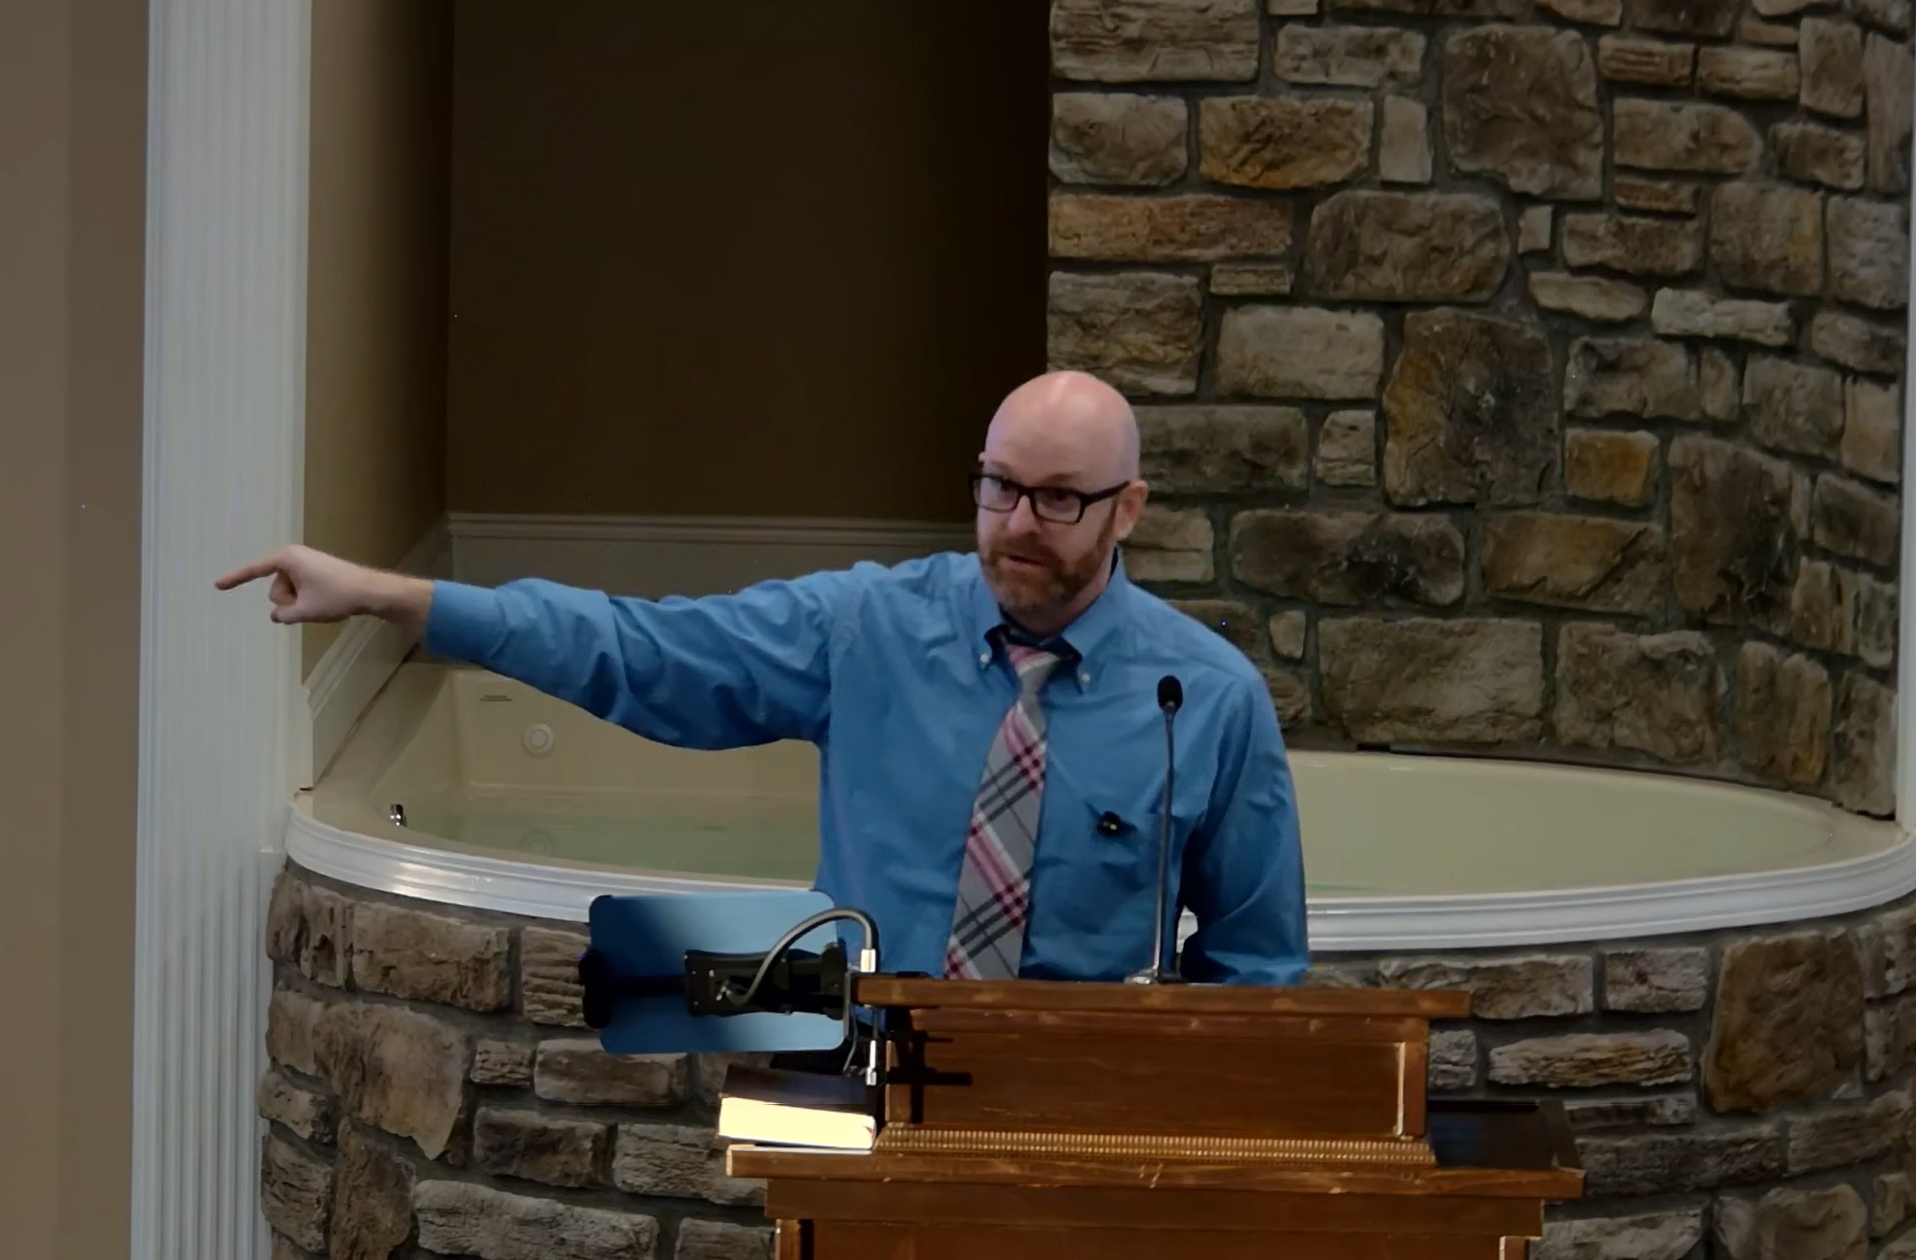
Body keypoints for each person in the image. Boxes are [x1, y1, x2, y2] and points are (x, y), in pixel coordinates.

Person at [219, 370, 1308, 985]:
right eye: (996, 488)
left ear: (1128, 508)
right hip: (866, 1071)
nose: (1018, 525)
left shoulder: (1204, 699)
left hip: (1078, 1111)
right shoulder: (868, 628)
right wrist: (392, 595)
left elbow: (1257, 967)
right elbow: (642, 651)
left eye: (1059, 499)